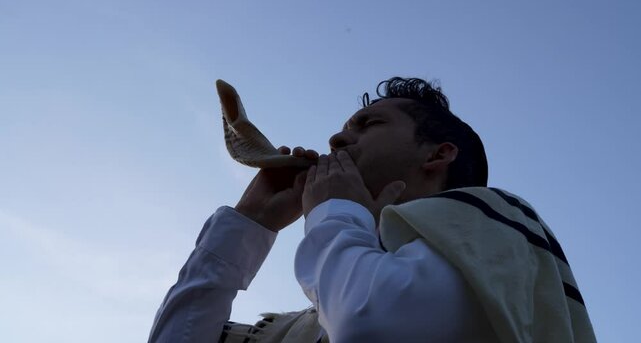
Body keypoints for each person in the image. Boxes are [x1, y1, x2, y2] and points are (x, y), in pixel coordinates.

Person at [148, 77, 596, 342]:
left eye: (369, 124)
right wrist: (249, 222)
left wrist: (336, 211)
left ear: (438, 155)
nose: (337, 140)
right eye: (345, 129)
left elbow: (378, 326)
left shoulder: (500, 218)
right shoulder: (304, 323)